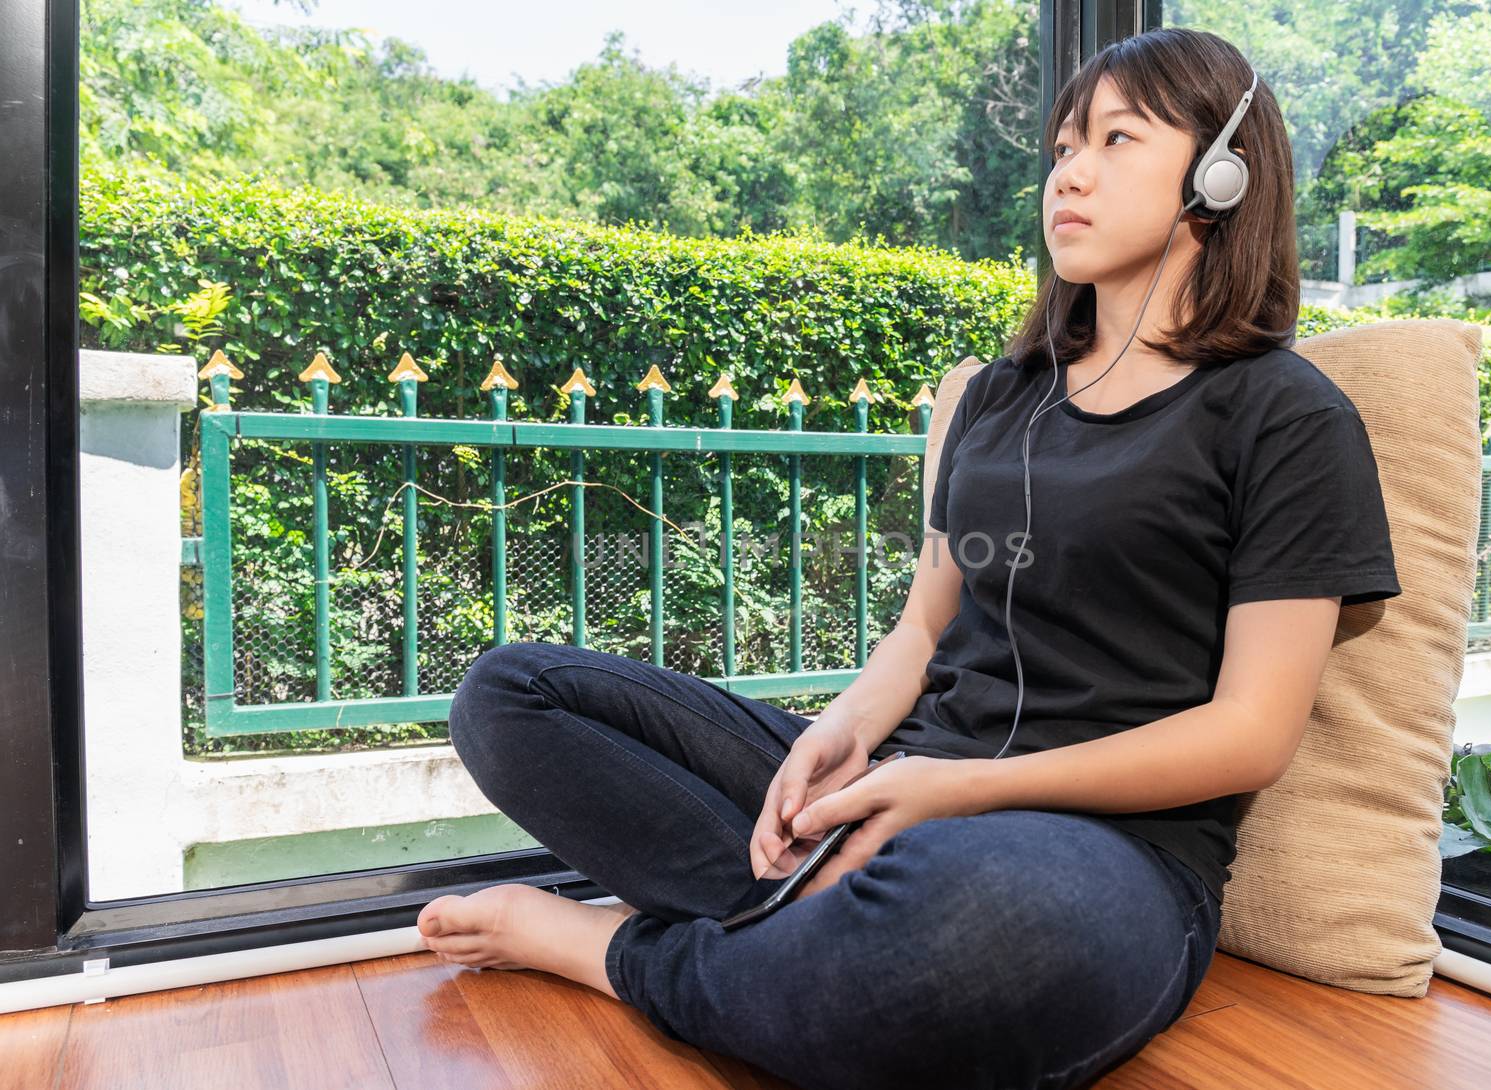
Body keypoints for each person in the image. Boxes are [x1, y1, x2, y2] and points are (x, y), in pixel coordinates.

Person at [415, 26, 1401, 1090]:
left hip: (1099, 854)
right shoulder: (999, 394)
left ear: (1219, 175)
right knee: (508, 694)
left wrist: (959, 796)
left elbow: (1249, 734)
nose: (1067, 172)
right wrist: (842, 736)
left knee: (977, 928)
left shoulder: (1286, 416)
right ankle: (805, 929)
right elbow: (925, 627)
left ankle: (606, 949)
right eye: (1061, 148)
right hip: (913, 780)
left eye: (1115, 140)